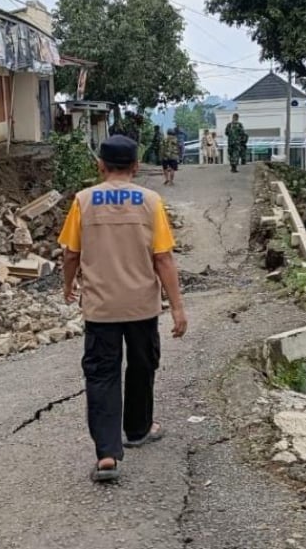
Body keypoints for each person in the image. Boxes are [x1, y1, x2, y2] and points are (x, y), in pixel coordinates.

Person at [58, 135, 188, 483]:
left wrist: (68, 285)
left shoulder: (83, 201)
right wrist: (177, 308)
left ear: (100, 165)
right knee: (143, 365)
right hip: (142, 306)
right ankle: (138, 428)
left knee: (102, 375)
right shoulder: (151, 201)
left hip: (100, 308)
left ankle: (107, 455)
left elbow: (70, 253)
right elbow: (163, 258)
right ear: (135, 166)